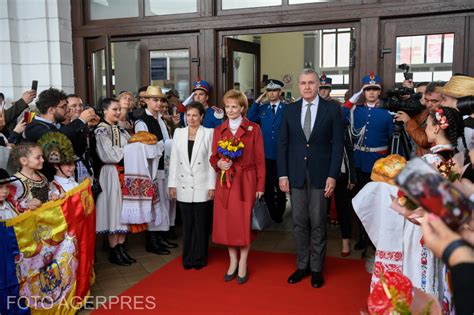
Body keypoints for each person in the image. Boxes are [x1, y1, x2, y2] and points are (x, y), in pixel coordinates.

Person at [277, 68, 344, 288]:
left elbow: (337, 146)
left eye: (311, 83)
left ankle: (316, 269)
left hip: (321, 175)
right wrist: (282, 174)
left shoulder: (332, 110)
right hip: (295, 174)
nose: (307, 86)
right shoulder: (289, 110)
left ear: (318, 85)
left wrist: (333, 176)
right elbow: (283, 144)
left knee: (317, 223)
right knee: (298, 223)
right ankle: (302, 266)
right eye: (303, 83)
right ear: (299, 85)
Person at [210, 89, 265, 284]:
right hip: (225, 181)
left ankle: (243, 262)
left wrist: (261, 185)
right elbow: (213, 156)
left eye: (234, 106)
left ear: (242, 108)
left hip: (246, 181)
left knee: (243, 223)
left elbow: (260, 160)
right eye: (227, 106)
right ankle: (232, 261)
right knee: (227, 223)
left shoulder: (253, 129)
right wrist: (218, 164)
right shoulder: (219, 130)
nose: (230, 110)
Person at [344, 72, 393, 251]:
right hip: (358, 163)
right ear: (363, 92)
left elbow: (389, 139)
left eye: (374, 89)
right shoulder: (355, 111)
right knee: (359, 201)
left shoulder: (387, 114)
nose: (371, 93)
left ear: (379, 92)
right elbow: (341, 115)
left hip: (377, 165)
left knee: (375, 203)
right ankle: (362, 237)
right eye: (367, 90)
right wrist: (353, 99)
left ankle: (374, 238)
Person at [168, 101, 215, 270]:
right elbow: (174, 160)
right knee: (187, 225)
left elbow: (211, 162)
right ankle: (188, 258)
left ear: (202, 116)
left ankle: (200, 258)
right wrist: (172, 184)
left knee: (201, 225)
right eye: (188, 115)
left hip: (203, 184)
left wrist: (212, 186)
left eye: (195, 115)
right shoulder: (179, 133)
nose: (191, 118)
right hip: (183, 184)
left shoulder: (209, 133)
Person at [135, 86, 178, 255]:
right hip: (152, 167)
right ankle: (152, 240)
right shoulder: (142, 121)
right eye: (155, 99)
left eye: (160, 100)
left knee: (164, 203)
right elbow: (144, 146)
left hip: (164, 165)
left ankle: (161, 235)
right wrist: (166, 145)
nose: (159, 103)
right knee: (154, 204)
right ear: (146, 100)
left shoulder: (161, 119)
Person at [319, 74, 357, 256]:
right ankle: (319, 243)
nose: (323, 91)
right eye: (321, 88)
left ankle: (345, 242)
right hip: (320, 170)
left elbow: (348, 148)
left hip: (340, 170)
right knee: (319, 210)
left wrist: (351, 175)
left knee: (343, 208)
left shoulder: (339, 112)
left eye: (326, 88)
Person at [94, 97, 135, 266]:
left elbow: (133, 144)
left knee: (123, 209)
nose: (118, 112)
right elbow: (109, 155)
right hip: (110, 172)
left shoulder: (121, 129)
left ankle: (121, 246)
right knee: (113, 208)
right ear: (104, 111)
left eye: (119, 109)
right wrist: (129, 150)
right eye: (114, 109)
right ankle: (114, 249)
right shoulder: (101, 130)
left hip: (124, 172)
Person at [247, 79, 287, 223]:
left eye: (274, 91)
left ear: (279, 92)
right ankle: (272, 212)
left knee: (281, 185)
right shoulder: (262, 108)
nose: (271, 94)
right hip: (265, 154)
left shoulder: (286, 108)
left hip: (282, 154)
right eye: (268, 91)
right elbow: (249, 118)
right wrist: (257, 101)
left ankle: (280, 212)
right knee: (267, 185)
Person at [394, 81, 445, 157]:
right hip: (418, 157)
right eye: (427, 100)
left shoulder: (444, 116)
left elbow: (425, 141)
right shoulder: (424, 112)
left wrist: (408, 121)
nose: (429, 104)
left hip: (431, 160)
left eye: (433, 101)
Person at [37, 132, 78, 196]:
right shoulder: (55, 188)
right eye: (68, 164)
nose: (73, 167)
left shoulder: (71, 178)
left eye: (74, 164)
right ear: (56, 166)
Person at [10, 143, 46, 212]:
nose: (43, 160)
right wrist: (26, 205)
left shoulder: (41, 175)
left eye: (42, 157)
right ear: (24, 161)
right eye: (38, 158)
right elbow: (11, 206)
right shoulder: (16, 181)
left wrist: (53, 194)